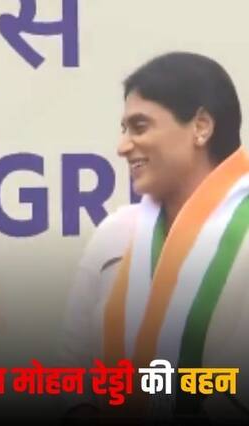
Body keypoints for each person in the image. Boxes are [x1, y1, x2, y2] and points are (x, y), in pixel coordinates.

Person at [59, 52, 249, 425]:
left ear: (201, 127)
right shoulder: (115, 235)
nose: (123, 146)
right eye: (124, 129)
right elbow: (71, 367)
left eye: (140, 127)